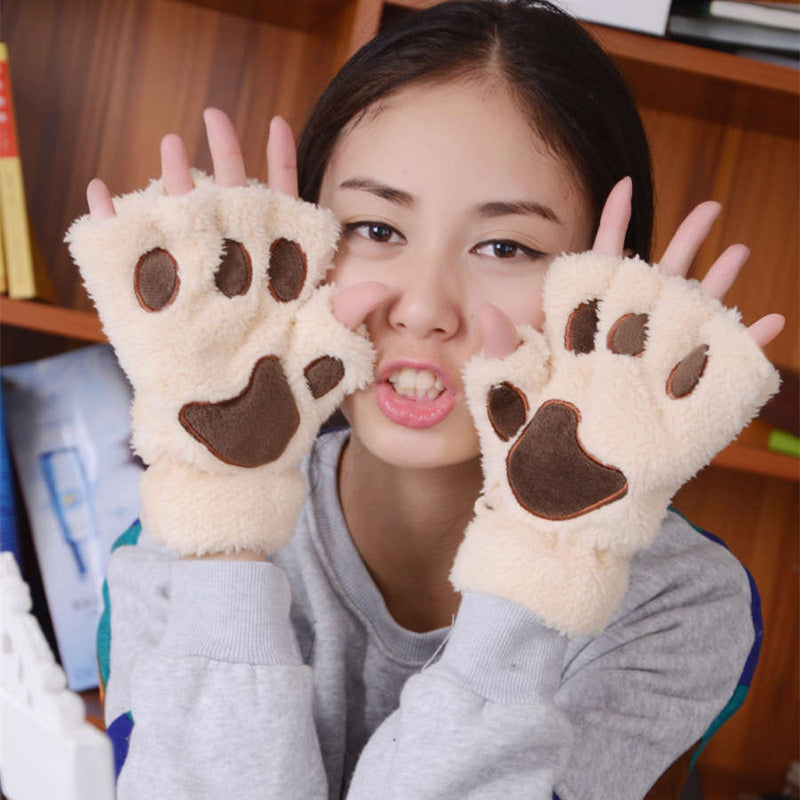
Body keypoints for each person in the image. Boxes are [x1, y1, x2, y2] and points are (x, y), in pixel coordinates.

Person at [79, 1, 784, 798]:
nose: (421, 307)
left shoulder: (679, 603)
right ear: (297, 247)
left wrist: (545, 563)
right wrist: (228, 521)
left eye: (505, 246)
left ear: (605, 292)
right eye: (376, 228)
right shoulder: (186, 536)